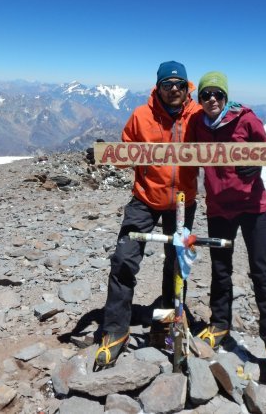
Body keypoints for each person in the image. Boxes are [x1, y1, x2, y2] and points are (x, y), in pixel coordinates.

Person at [94, 61, 202, 368]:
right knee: (124, 259)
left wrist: (255, 152)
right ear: (158, 87)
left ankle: (169, 319)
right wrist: (105, 155)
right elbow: (126, 154)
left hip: (183, 200)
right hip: (145, 198)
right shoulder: (141, 115)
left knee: (176, 264)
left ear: (187, 86)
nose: (174, 90)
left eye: (179, 84)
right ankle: (115, 330)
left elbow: (222, 145)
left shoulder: (196, 117)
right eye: (167, 85)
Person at [191, 71, 266, 379]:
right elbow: (179, 152)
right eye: (205, 94)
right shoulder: (197, 123)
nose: (211, 100)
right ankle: (220, 325)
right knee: (221, 271)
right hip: (219, 208)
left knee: (261, 272)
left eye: (217, 94)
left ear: (225, 96)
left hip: (253, 208)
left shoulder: (245, 119)